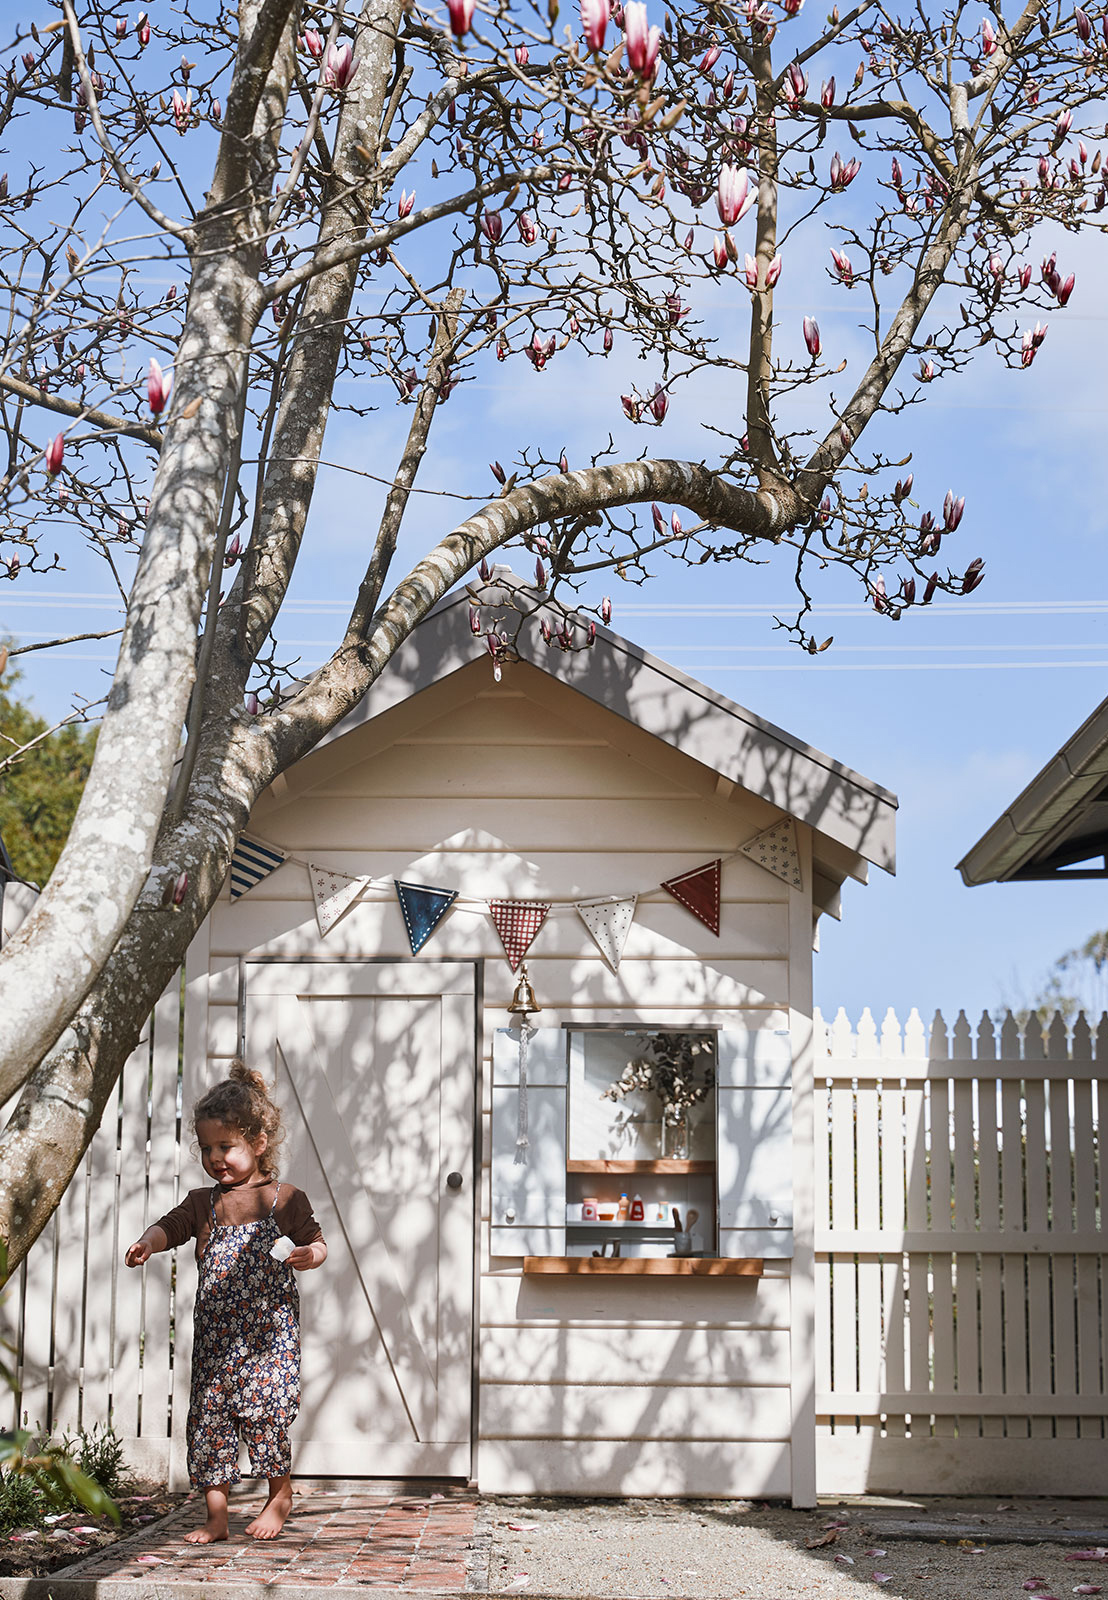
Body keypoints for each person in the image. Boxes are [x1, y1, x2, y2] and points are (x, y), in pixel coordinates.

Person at [125, 1061, 327, 1543]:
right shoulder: (202, 1203)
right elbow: (170, 1226)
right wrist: (148, 1243)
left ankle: (278, 1494)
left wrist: (308, 1255)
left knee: (265, 1412)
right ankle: (216, 1515)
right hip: (217, 1343)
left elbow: (318, 1242)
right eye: (208, 1148)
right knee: (211, 1421)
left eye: (227, 1146)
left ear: (258, 1143)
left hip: (268, 1339)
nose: (216, 1157)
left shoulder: (284, 1199)